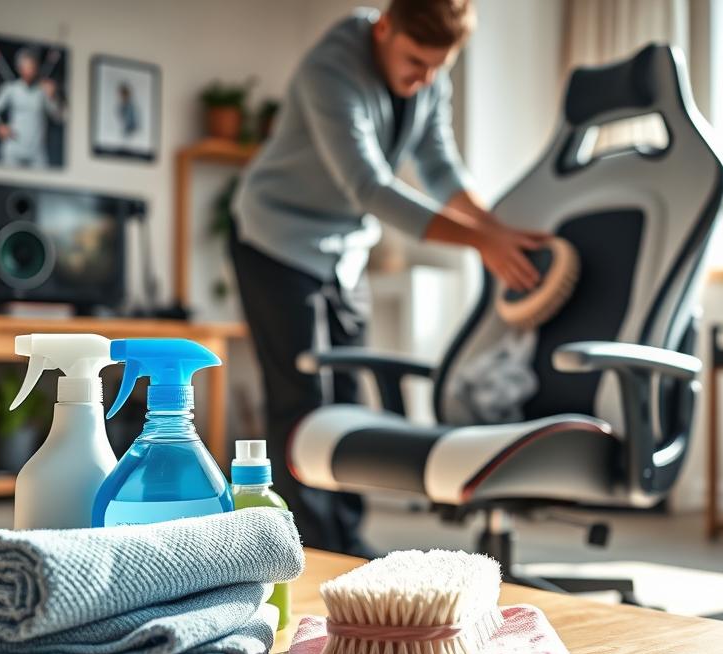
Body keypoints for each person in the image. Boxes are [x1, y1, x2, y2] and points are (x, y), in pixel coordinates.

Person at [231, 0, 544, 557]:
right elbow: (370, 188)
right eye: (415, 61)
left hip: (344, 251)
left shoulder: (428, 77)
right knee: (299, 395)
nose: (424, 78)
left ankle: (346, 538)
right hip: (276, 239)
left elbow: (440, 167)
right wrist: (480, 241)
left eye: (437, 67)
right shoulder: (331, 68)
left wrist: (497, 231)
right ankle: (308, 546)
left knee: (348, 390)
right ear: (385, 28)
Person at [0, 47, 65, 168]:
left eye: (33, 67)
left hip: (37, 154)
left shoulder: (44, 90)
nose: (30, 71)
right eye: (27, 67)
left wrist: (53, 97)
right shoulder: (10, 89)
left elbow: (59, 117)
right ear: (19, 68)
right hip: (12, 151)